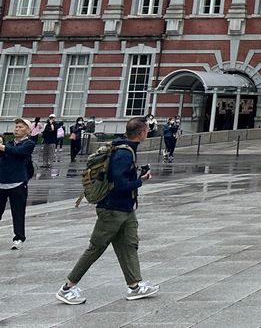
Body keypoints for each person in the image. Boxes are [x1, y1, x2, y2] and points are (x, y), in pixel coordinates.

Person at [55, 116, 158, 305]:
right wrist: (140, 180)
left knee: (128, 245)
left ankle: (135, 286)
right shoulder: (124, 153)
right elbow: (119, 183)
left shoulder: (125, 149)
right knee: (96, 248)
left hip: (125, 208)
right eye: (147, 130)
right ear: (142, 133)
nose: (148, 132)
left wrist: (136, 176)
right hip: (112, 209)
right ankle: (67, 288)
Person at [0, 117, 37, 250]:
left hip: (18, 183)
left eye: (20, 127)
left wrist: (3, 148)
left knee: (18, 212)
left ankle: (19, 237)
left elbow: (19, 153)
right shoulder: (9, 144)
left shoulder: (29, 144)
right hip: (2, 182)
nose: (17, 129)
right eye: (16, 127)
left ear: (27, 131)